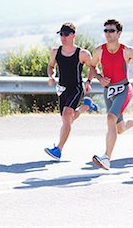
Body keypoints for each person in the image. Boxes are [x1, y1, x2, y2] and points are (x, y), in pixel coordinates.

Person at [89, 19, 133, 170]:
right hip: (108, 90)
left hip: (123, 89)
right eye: (106, 31)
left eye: (111, 31)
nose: (108, 34)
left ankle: (106, 158)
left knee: (110, 118)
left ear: (119, 33)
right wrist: (99, 78)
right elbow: (92, 66)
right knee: (119, 129)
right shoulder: (99, 51)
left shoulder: (127, 51)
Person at [44, 22, 98, 161]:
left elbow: (92, 67)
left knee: (67, 114)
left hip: (76, 88)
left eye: (66, 34)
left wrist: (89, 81)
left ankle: (58, 150)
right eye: (61, 34)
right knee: (68, 119)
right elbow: (51, 66)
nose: (63, 37)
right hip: (62, 89)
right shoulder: (56, 52)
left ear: (73, 35)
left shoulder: (83, 53)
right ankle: (86, 106)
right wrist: (51, 76)